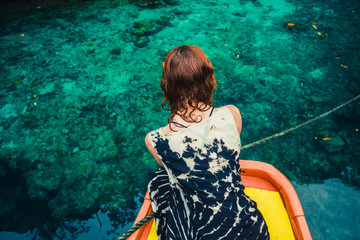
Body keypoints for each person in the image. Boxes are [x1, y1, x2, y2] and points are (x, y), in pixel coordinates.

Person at [145, 45, 269, 239]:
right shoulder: (233, 114)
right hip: (254, 229)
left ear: (167, 86)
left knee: (160, 181)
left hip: (207, 234)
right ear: (209, 79)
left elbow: (174, 167)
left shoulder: (155, 140)